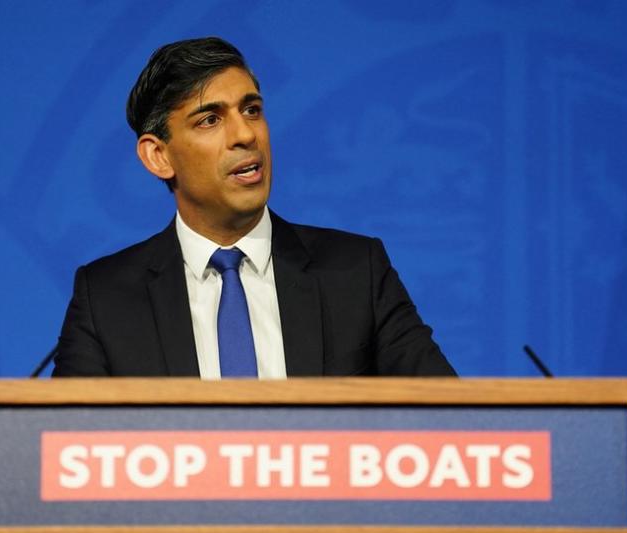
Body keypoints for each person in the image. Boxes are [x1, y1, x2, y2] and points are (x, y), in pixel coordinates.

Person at [54, 37, 455, 378]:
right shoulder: (106, 298)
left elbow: (452, 421)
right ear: (158, 156)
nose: (246, 134)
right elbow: (62, 450)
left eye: (252, 110)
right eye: (210, 120)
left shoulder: (355, 272)